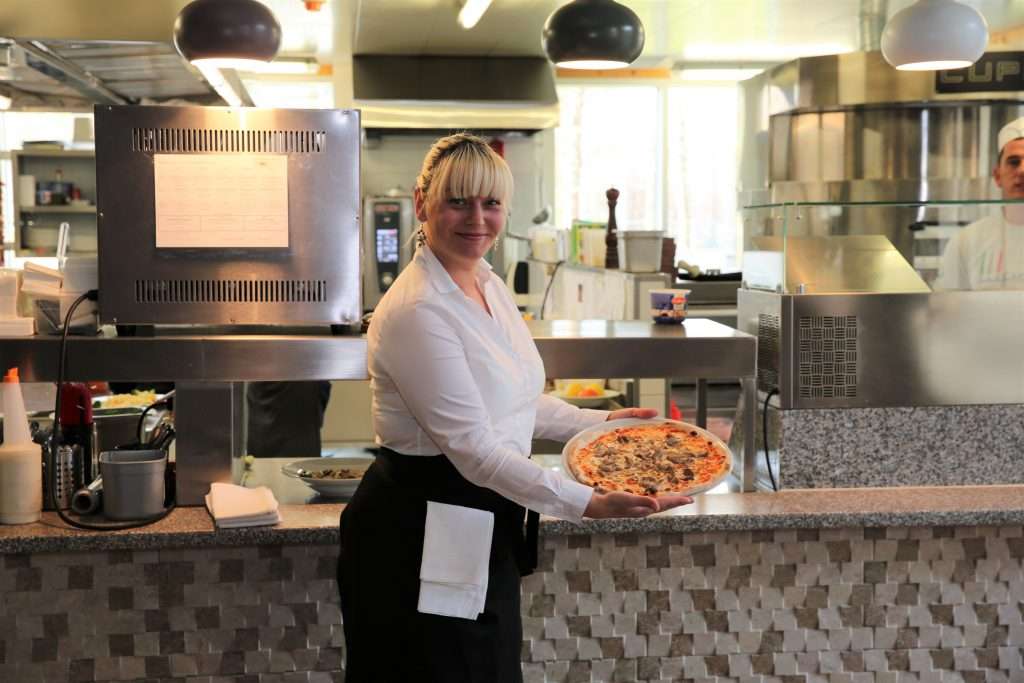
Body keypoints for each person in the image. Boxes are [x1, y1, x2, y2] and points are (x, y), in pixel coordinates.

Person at [336, 133, 692, 683]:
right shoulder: (417, 309)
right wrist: (586, 502)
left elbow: (517, 403)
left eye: (492, 203)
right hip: (423, 527)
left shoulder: (487, 283)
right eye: (458, 201)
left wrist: (604, 425)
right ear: (422, 203)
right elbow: (476, 450)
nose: (477, 218)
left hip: (478, 516)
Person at [934, 117, 1024, 290]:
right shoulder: (967, 241)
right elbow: (946, 303)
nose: (1022, 170)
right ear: (997, 176)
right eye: (1014, 162)